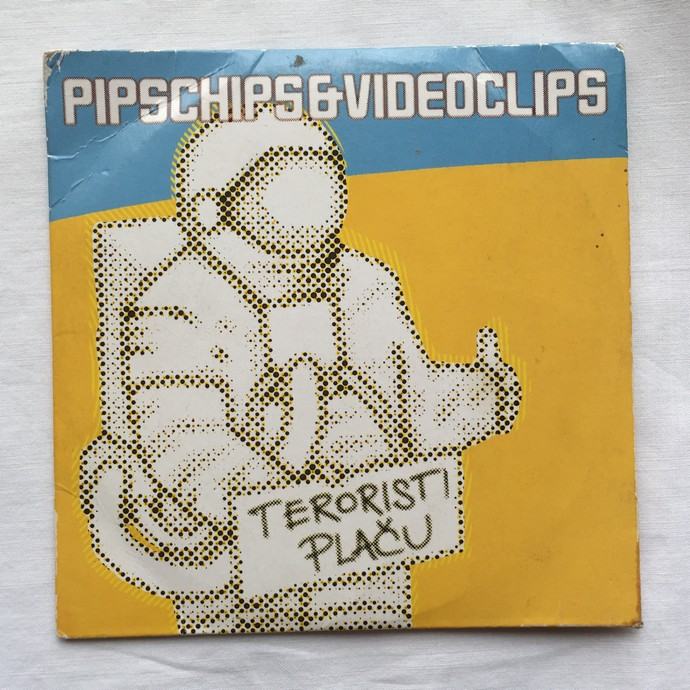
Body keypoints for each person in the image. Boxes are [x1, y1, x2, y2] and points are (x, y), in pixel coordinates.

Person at [81, 103, 521, 634]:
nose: (310, 206)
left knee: (365, 633)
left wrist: (475, 397)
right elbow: (183, 436)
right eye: (284, 185)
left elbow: (409, 399)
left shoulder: (362, 284)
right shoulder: (179, 303)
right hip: (232, 554)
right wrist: (267, 500)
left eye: (321, 182)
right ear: (210, 211)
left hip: (361, 536)